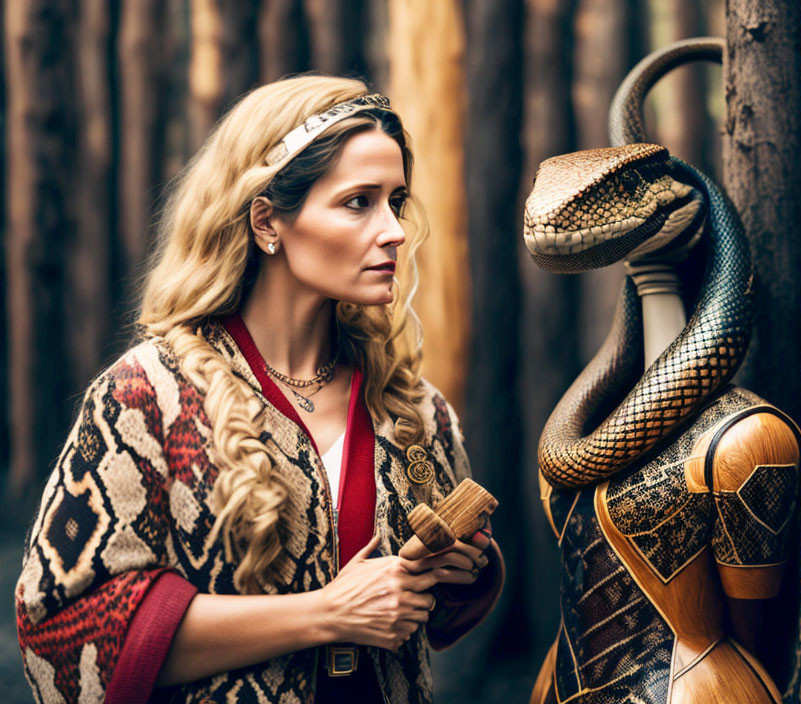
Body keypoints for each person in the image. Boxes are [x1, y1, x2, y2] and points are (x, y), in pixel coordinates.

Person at [15, 75, 503, 704]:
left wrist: (454, 571)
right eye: (358, 201)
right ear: (268, 221)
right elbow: (62, 626)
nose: (395, 230)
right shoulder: (147, 394)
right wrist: (327, 612)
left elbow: (433, 618)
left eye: (396, 201)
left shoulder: (414, 407)